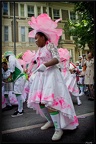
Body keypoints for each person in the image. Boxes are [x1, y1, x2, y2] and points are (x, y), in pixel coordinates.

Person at [27, 13, 79, 141]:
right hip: (41, 78)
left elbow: (57, 59)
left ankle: (58, 129)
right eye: (34, 38)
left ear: (44, 38)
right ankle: (50, 121)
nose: (35, 40)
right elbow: (35, 63)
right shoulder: (39, 50)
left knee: (51, 103)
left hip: (52, 76)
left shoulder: (50, 46)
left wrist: (45, 65)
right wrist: (32, 71)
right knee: (41, 102)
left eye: (37, 38)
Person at [4, 51, 26, 117]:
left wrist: (10, 74)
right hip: (19, 78)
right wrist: (8, 79)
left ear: (8, 56)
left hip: (20, 78)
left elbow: (12, 67)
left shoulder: (11, 57)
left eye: (6, 58)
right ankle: (20, 109)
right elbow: (11, 76)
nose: (7, 60)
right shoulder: (13, 58)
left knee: (18, 93)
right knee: (18, 94)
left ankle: (20, 111)